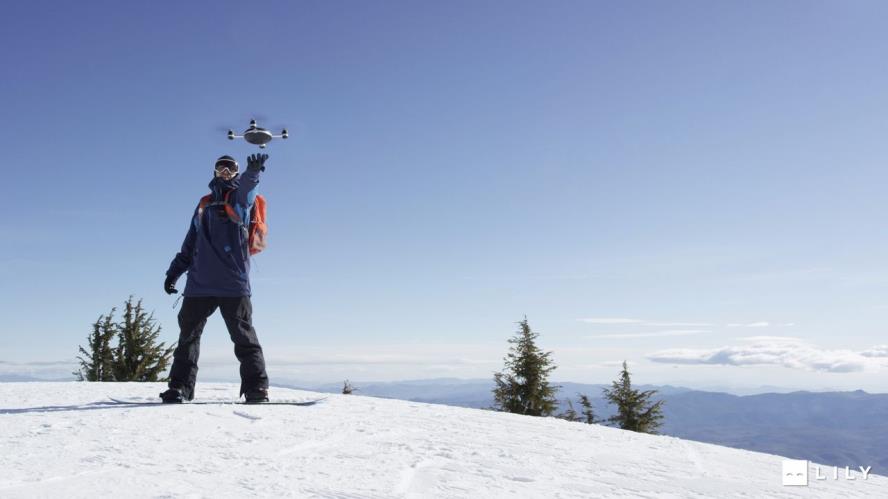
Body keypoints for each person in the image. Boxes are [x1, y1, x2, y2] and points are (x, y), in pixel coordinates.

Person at [160, 153, 270, 404]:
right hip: (199, 284)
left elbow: (248, 189)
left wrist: (254, 173)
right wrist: (173, 273)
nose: (225, 172)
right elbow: (190, 243)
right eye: (220, 168)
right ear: (214, 172)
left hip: (233, 283)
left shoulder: (241, 201)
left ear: (236, 173)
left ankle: (256, 389)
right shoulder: (203, 204)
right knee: (187, 337)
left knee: (243, 338)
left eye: (230, 169)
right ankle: (179, 388)